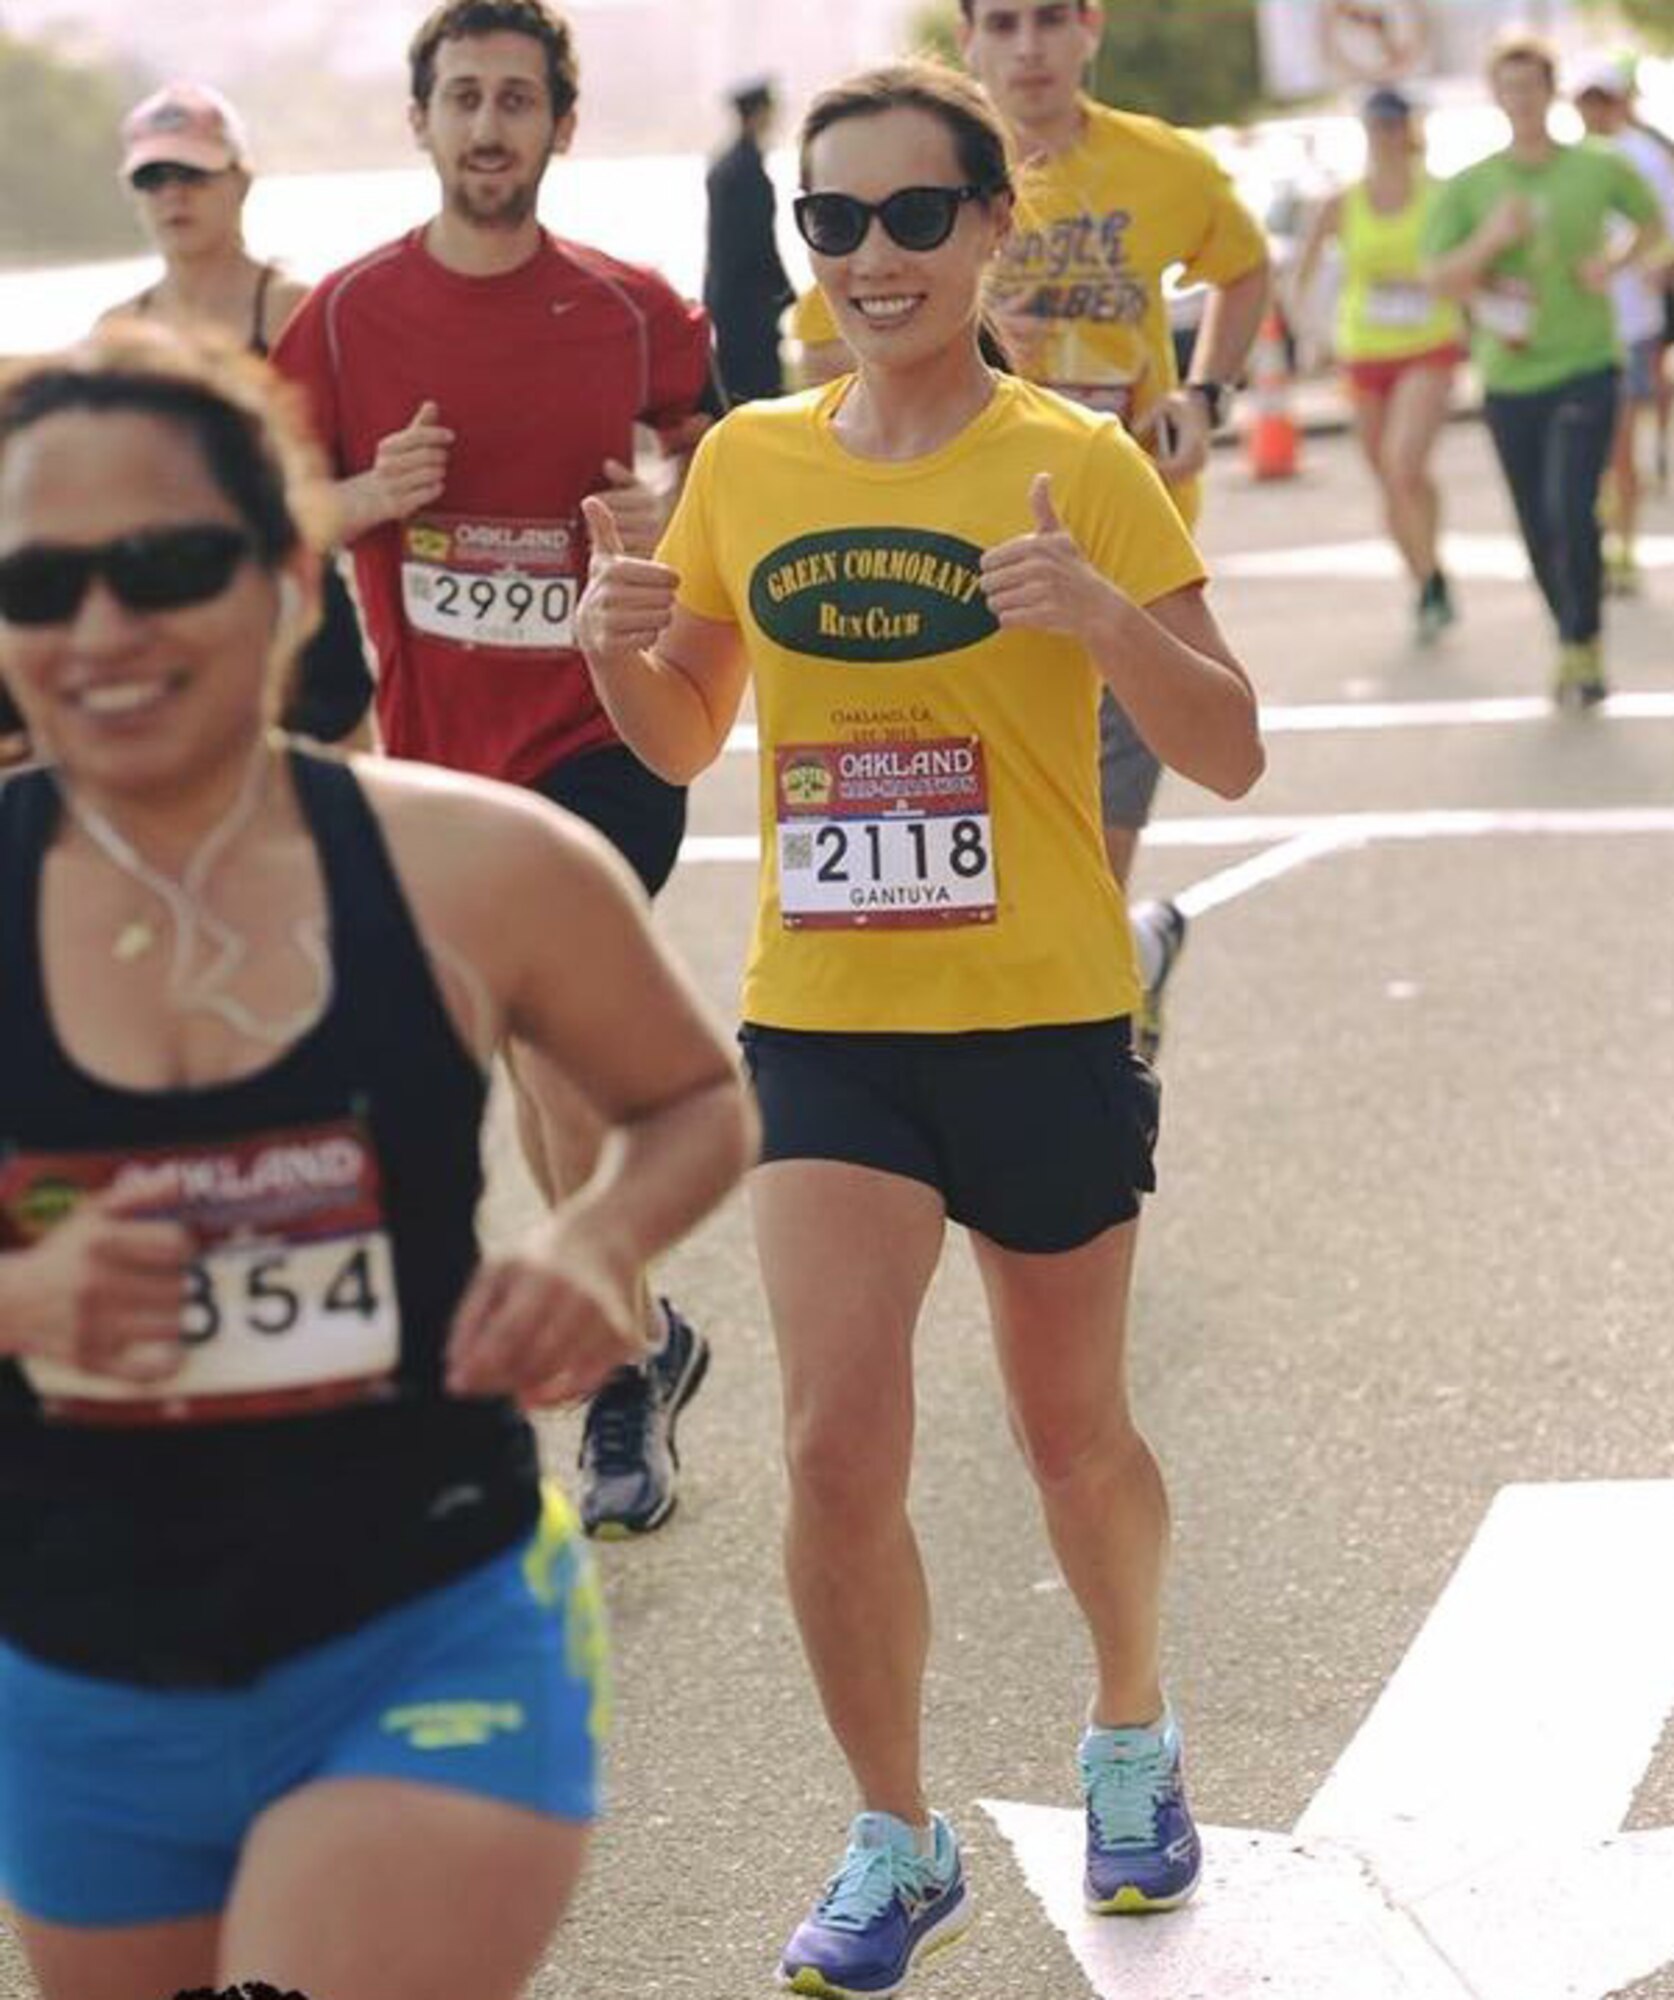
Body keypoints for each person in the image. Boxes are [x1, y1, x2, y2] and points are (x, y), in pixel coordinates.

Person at [576, 61, 1263, 1999]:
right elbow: (691, 733)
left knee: (1070, 1438)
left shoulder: (1079, 463)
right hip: (832, 1027)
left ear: (987, 231)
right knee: (830, 1447)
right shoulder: (749, 464)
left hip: (1043, 1016)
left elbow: (1230, 742)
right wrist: (616, 649)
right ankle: (899, 1834)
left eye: (908, 217)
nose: (871, 257)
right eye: (832, 221)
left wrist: (1103, 617)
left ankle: (1130, 1725)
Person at [0, 324, 754, 2000]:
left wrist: (589, 1245)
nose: (102, 629)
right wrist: (24, 1292)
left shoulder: (474, 865)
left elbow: (691, 1103)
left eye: (168, 564)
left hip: (418, 1619)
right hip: (78, 1666)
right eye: (42, 586)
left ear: (286, 577)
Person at [273, 0, 721, 1539]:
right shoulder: (335, 320)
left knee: (544, 1044)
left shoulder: (631, 306)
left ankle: (610, 1368)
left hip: (605, 734)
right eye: (460, 98)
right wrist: (364, 491)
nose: (486, 126)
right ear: (420, 123)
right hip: (441, 761)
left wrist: (663, 499)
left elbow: (715, 456)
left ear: (558, 128)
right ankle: (644, 1338)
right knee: (511, 1058)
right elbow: (266, 520)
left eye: (514, 100)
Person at [104, 81, 375, 747]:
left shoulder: (294, 309)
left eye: (193, 173)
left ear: (241, 181)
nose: (173, 193)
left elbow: (354, 472)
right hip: (175, 620)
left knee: (343, 829)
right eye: (154, 177)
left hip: (303, 622)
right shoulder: (118, 331)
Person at [1424, 30, 1665, 708]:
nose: (1522, 100)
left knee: (1570, 506)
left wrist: (1615, 264)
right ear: (1496, 96)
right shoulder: (1473, 185)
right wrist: (1492, 241)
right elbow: (1438, 278)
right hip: (1509, 377)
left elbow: (1651, 224)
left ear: (1549, 93)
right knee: (1535, 522)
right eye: (1510, 88)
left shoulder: (1597, 167)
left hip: (1587, 362)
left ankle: (1583, 643)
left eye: (1533, 87)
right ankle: (1567, 632)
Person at [1291, 85, 1467, 647]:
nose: (1386, 136)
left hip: (1429, 343)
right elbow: (1300, 271)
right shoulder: (1343, 203)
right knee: (1389, 478)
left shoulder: (1439, 195)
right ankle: (1427, 577)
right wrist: (1310, 337)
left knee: (1403, 463)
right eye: (1376, 126)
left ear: (1409, 129)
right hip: (1365, 350)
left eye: (1394, 126)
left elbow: (1470, 261)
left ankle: (1430, 571)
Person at [1571, 54, 1674, 595]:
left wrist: (1649, 264)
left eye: (1601, 99)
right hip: (1579, 327)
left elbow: (1664, 227)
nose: (1593, 111)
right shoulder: (1571, 161)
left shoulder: (1646, 157)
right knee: (1597, 449)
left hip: (1632, 321)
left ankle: (1625, 546)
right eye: (1585, 100)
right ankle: (1608, 538)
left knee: (1620, 443)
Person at [704, 76, 796, 403]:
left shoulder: (723, 165)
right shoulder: (747, 171)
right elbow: (757, 242)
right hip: (749, 301)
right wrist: (784, 291)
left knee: (736, 386)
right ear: (757, 114)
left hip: (726, 298)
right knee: (758, 390)